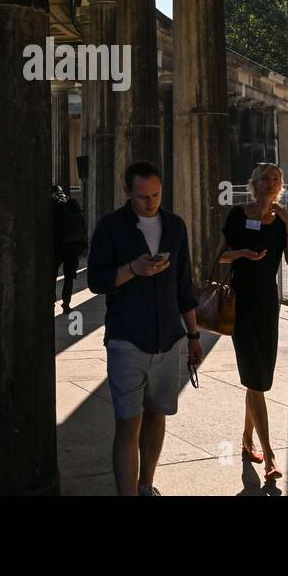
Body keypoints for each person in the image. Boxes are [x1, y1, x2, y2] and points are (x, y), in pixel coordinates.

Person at [88, 160, 202, 496]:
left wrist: (194, 334)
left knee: (157, 416)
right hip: (127, 339)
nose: (150, 202)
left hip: (168, 338)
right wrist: (133, 269)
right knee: (128, 422)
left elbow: (184, 286)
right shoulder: (110, 227)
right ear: (126, 191)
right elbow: (96, 280)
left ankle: (146, 485)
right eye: (142, 197)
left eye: (156, 195)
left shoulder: (175, 226)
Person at [215, 162, 288, 482]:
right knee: (256, 380)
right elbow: (219, 257)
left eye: (277, 179)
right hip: (241, 303)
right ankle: (270, 457)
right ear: (254, 183)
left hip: (268, 304)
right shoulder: (238, 215)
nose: (272, 183)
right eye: (266, 178)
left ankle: (247, 441)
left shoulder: (281, 222)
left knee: (259, 377)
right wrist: (242, 254)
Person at [50, 184, 86, 314]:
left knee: (51, 276)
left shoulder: (52, 204)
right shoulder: (72, 203)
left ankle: (51, 302)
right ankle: (66, 303)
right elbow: (82, 223)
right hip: (72, 246)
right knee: (69, 277)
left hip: (57, 245)